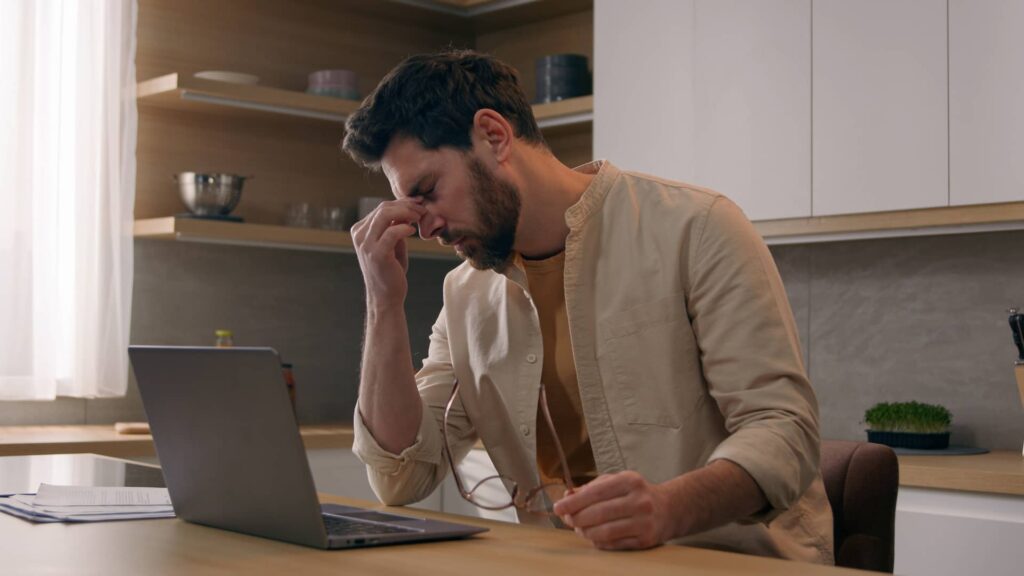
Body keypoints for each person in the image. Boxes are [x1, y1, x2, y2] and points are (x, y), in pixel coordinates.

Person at [342, 49, 833, 564]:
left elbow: (784, 431)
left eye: (428, 191)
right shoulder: (465, 295)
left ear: (493, 135)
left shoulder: (698, 227)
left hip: (727, 562)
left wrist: (668, 508)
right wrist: (383, 301)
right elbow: (400, 477)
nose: (426, 229)